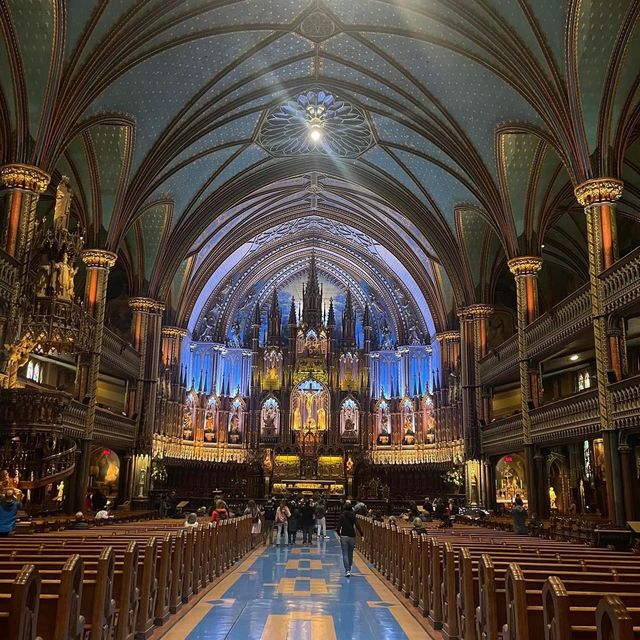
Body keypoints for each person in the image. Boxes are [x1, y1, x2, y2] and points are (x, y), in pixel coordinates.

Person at [336, 501, 363, 577]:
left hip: (344, 536)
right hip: (352, 536)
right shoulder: (353, 515)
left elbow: (338, 527)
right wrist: (362, 534)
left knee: (345, 554)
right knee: (350, 553)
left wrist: (339, 534)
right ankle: (349, 567)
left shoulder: (342, 515)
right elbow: (357, 524)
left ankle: (347, 570)